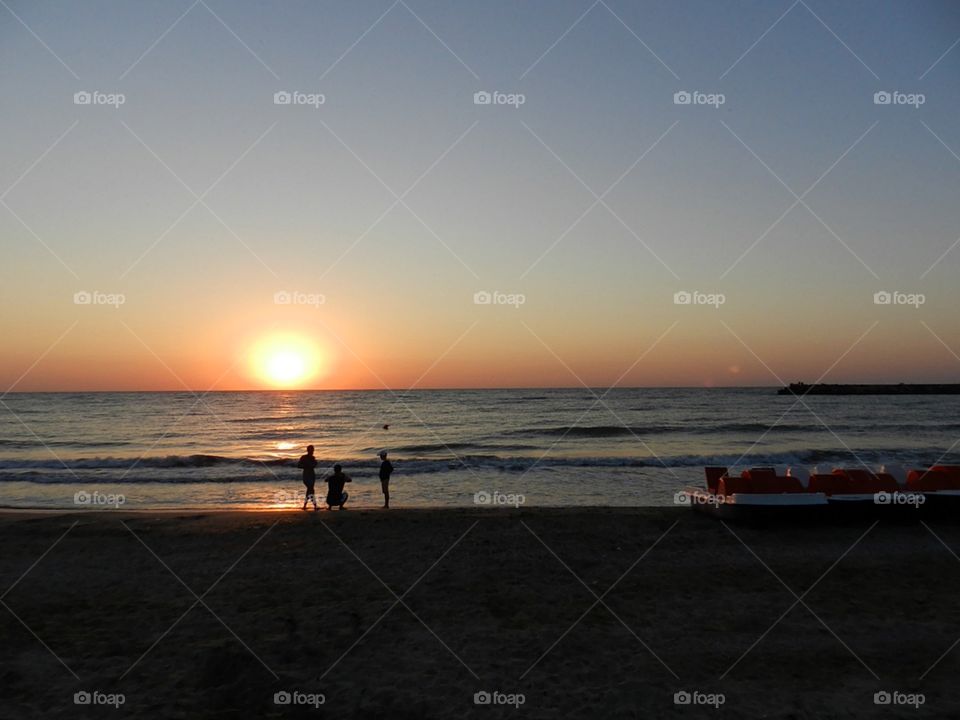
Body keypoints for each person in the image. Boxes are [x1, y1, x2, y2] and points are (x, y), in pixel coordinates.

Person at [297, 445, 319, 511]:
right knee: (311, 490)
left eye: (313, 450)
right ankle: (314, 506)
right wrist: (306, 466)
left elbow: (315, 465)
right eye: (311, 450)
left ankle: (306, 505)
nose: (312, 451)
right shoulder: (303, 457)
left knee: (310, 490)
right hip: (306, 476)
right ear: (308, 450)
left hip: (312, 475)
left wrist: (314, 464)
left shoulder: (313, 458)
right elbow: (298, 465)